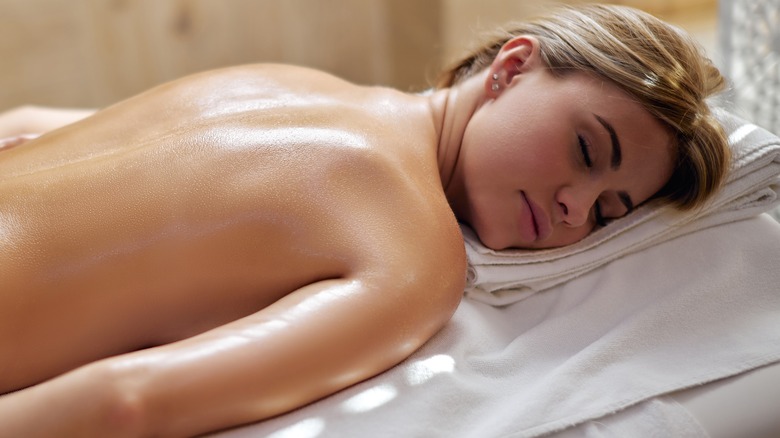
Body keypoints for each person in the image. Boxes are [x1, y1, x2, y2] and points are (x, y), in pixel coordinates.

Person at [0, 4, 728, 437]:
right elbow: (129, 406)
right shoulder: (413, 258)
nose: (575, 206)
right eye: (585, 149)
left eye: (608, 213)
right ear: (512, 68)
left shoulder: (289, 79)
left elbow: (26, 128)